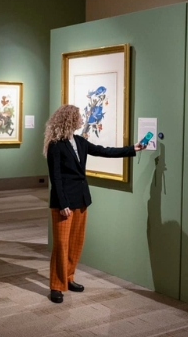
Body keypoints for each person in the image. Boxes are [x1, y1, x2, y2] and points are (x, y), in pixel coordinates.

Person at [42, 104, 145, 304]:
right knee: (61, 245)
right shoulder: (56, 144)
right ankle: (56, 286)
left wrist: (132, 149)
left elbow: (104, 151)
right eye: (78, 116)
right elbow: (55, 176)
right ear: (69, 120)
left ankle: (69, 277)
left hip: (81, 199)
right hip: (64, 203)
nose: (82, 119)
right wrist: (63, 203)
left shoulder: (80, 141)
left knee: (76, 242)